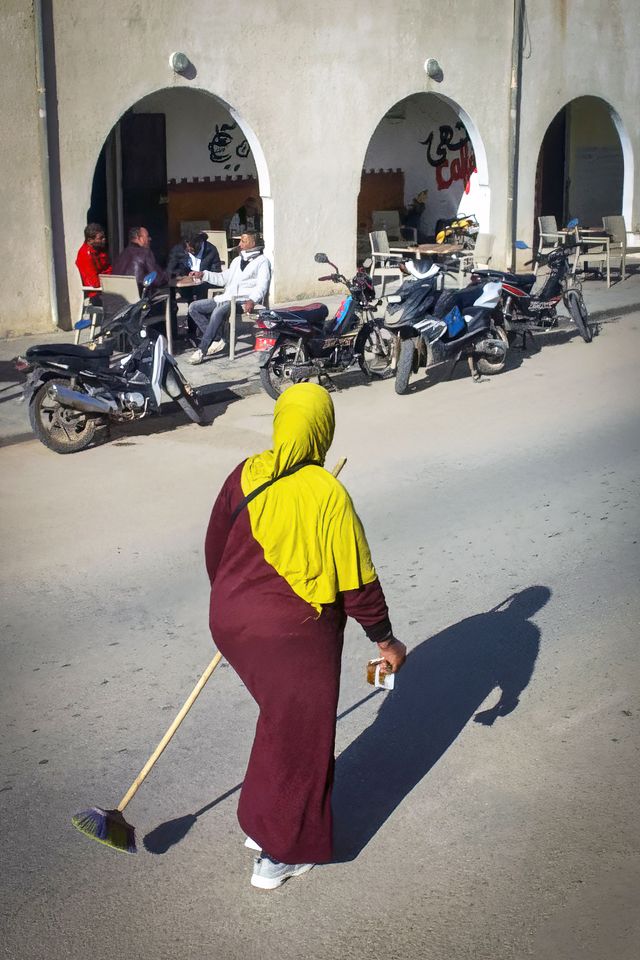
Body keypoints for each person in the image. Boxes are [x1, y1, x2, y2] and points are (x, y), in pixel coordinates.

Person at [204, 383, 406, 889]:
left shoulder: (247, 471)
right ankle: (279, 853)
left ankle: (261, 820)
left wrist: (238, 603)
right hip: (291, 637)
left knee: (281, 722)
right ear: (322, 429)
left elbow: (215, 547)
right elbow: (357, 581)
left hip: (230, 620)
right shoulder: (326, 492)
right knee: (301, 741)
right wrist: (386, 642)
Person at [187, 232, 271, 364]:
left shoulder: (262, 261)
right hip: (227, 298)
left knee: (219, 310)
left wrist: (252, 300)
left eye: (243, 241)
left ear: (253, 244)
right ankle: (218, 338)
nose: (240, 244)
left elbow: (262, 285)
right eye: (241, 241)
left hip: (243, 301)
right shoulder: (237, 261)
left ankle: (202, 349)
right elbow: (223, 278)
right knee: (193, 308)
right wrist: (203, 274)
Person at [75, 223, 112, 300]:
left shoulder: (99, 252)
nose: (104, 239)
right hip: (95, 294)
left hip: (106, 289)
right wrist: (108, 277)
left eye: (104, 237)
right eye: (100, 238)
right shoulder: (85, 255)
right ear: (90, 240)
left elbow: (109, 269)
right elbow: (95, 283)